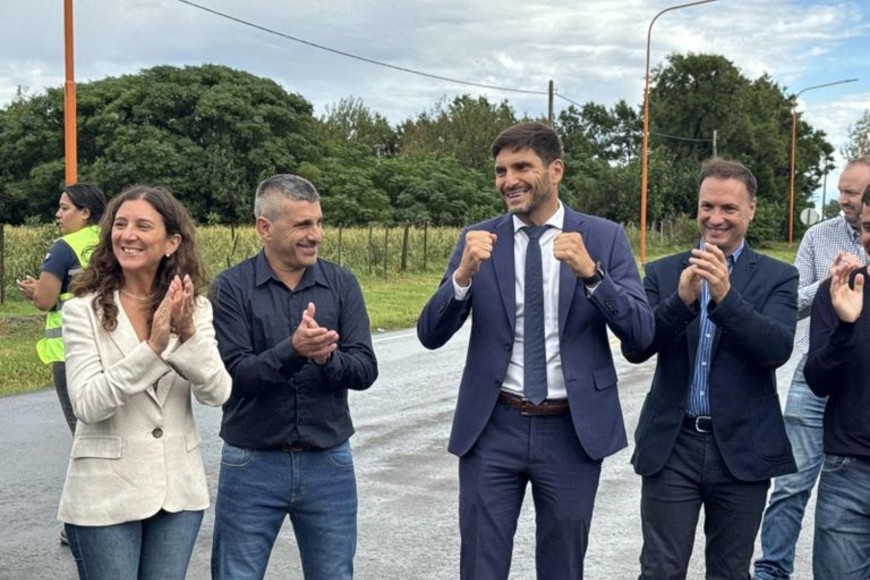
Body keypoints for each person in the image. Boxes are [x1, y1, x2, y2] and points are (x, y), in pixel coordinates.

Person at [417, 121, 654, 579]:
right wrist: (462, 276)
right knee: (481, 565)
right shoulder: (479, 240)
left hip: (572, 428)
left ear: (556, 170)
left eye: (522, 166)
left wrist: (592, 275)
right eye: (501, 170)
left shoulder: (602, 238)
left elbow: (641, 335)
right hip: (492, 427)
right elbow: (430, 333)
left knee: (562, 566)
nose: (509, 180)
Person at [623, 158, 799, 579]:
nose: (715, 219)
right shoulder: (665, 272)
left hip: (741, 447)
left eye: (729, 209)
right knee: (660, 569)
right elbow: (638, 347)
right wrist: (679, 303)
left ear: (751, 210)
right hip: (674, 444)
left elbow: (775, 348)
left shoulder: (779, 277)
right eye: (707, 207)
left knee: (729, 570)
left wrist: (725, 296)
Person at [58, 185, 232, 579]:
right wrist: (152, 349)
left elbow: (217, 392)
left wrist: (187, 335)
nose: (127, 235)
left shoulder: (194, 306)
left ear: (172, 242)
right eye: (120, 225)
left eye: (142, 226)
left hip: (177, 495)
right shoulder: (81, 311)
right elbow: (87, 404)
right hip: (103, 496)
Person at [209, 174, 378, 580]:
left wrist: (325, 360)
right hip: (252, 463)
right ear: (264, 228)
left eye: (318, 223)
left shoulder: (340, 283)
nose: (316, 235)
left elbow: (365, 369)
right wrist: (293, 350)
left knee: (334, 574)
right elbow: (232, 377)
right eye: (302, 225)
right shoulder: (231, 288)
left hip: (329, 462)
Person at [753, 157, 870, 580]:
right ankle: (771, 568)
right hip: (815, 367)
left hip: (859, 385)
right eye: (841, 190)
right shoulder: (820, 235)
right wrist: (830, 285)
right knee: (791, 480)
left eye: (852, 193)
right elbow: (791, 300)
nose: (843, 199)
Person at [803, 185, 870, 579]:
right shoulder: (842, 291)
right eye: (867, 227)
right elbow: (817, 381)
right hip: (849, 471)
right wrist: (846, 327)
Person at [16, 183, 107, 436]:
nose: (58, 214)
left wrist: (36, 290)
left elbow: (45, 301)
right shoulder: (114, 241)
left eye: (64, 208)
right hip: (112, 346)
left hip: (70, 351)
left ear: (85, 212)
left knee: (84, 434)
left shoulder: (63, 247)